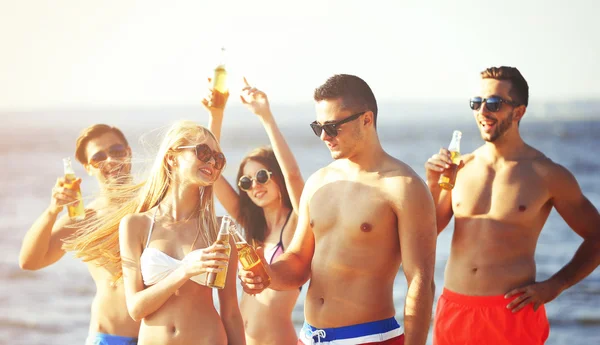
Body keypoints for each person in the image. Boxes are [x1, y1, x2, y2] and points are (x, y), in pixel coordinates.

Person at [240, 74, 437, 345]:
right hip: (309, 338)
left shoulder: (403, 186)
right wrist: (268, 274)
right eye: (317, 127)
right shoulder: (319, 182)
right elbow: (298, 259)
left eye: (332, 127)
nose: (324, 136)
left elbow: (420, 282)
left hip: (369, 338)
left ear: (366, 120)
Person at [425, 66, 600, 345]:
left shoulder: (547, 174)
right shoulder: (461, 168)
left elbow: (597, 236)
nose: (483, 111)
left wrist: (556, 285)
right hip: (455, 309)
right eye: (477, 103)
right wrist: (433, 185)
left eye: (493, 103)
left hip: (510, 314)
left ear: (518, 112)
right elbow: (427, 234)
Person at [73, 120, 245, 345]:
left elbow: (231, 311)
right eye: (203, 152)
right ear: (172, 157)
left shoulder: (219, 230)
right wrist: (185, 270)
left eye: (218, 158)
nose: (212, 161)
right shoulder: (136, 225)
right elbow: (136, 308)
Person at [19, 124, 140, 345]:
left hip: (157, 337)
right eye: (98, 157)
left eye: (116, 151)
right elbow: (29, 262)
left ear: (129, 153)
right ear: (88, 168)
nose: (110, 160)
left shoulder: (158, 204)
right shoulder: (85, 218)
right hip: (110, 338)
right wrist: (52, 210)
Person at [205, 78, 304, 345]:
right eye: (246, 182)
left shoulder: (297, 222)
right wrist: (216, 115)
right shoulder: (251, 225)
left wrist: (266, 117)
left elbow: (293, 175)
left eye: (261, 176)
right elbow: (210, 173)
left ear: (277, 175)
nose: (255, 186)